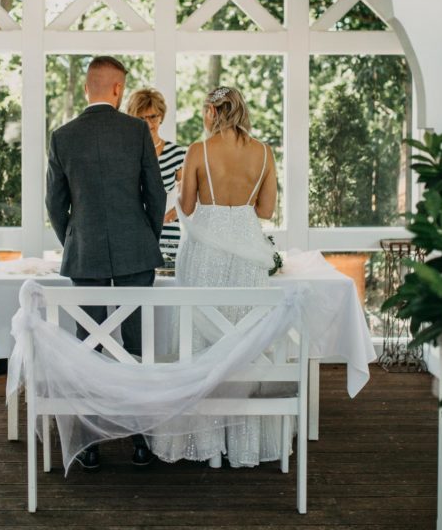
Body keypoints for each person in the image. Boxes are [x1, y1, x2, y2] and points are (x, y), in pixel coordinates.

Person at [45, 55, 166, 471]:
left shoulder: (62, 136)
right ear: (118, 89)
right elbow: (156, 193)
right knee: (134, 346)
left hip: (86, 254)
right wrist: (147, 236)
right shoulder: (136, 131)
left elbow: (55, 204)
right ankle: (139, 441)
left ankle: (91, 443)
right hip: (137, 251)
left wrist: (73, 241)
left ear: (86, 88)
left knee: (89, 346)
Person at [150, 85, 279, 468]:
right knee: (243, 344)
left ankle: (202, 444)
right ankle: (242, 446)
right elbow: (267, 209)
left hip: (203, 254)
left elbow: (186, 205)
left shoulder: (197, 151)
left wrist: (180, 182)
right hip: (247, 257)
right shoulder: (265, 153)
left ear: (211, 112)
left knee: (198, 343)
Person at [126, 88, 187, 265]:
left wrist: (167, 217)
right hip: (134, 239)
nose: (148, 123)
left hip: (169, 239)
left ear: (161, 116)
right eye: (141, 118)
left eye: (152, 116)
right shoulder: (125, 154)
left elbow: (191, 197)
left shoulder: (177, 154)